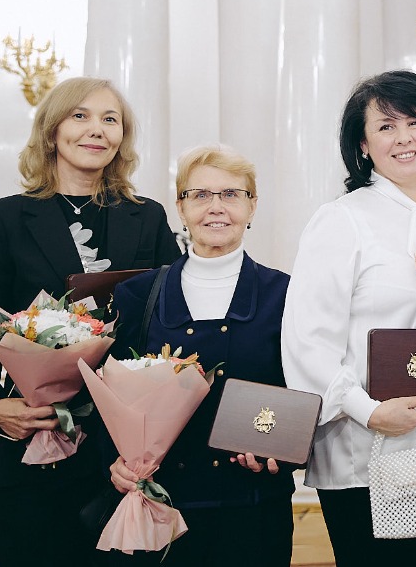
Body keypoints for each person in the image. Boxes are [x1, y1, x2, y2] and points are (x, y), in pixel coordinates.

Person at [0, 77, 180, 566]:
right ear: (52, 130)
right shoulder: (6, 218)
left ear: (122, 138)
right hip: (34, 443)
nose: (96, 129)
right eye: (81, 116)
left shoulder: (148, 217)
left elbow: (166, 330)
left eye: (110, 119)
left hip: (128, 453)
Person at [280, 70, 416, 567]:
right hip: (366, 442)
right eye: (385, 127)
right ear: (362, 145)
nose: (404, 138)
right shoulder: (341, 219)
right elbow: (306, 340)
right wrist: (367, 410)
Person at [105, 145, 293, 565]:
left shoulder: (287, 294)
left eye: (231, 194)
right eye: (200, 195)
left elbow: (299, 388)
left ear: (252, 206)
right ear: (181, 207)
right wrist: (114, 462)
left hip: (253, 502)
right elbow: (108, 394)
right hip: (161, 498)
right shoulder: (137, 294)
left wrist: (279, 448)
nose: (216, 207)